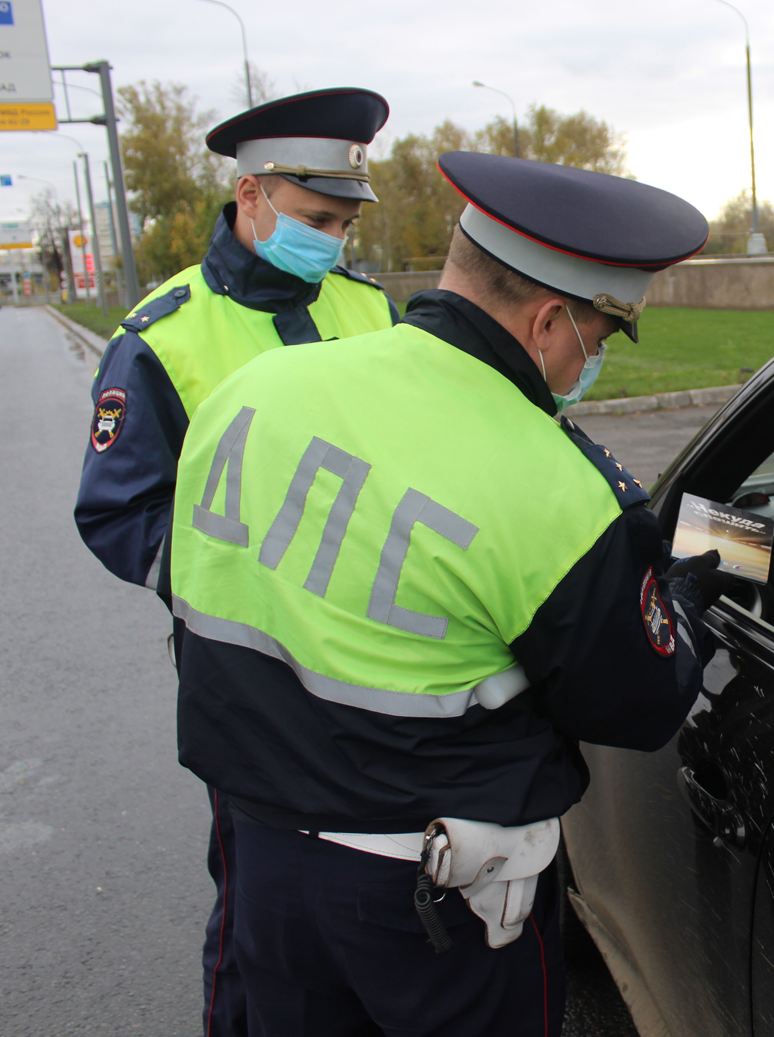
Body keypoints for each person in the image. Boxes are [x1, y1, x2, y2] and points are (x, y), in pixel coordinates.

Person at [168, 151, 726, 1035]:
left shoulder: (249, 394)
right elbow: (635, 703)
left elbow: (200, 590)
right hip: (436, 902)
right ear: (550, 322)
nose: (596, 356)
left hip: (257, 861)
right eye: (605, 332)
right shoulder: (556, 487)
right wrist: (680, 606)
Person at [71, 87, 397, 1036]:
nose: (333, 241)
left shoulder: (370, 309)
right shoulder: (163, 336)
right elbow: (120, 511)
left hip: (382, 650)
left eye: (343, 223)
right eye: (316, 220)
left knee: (375, 884)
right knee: (264, 909)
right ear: (251, 196)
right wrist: (261, 583)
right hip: (253, 676)